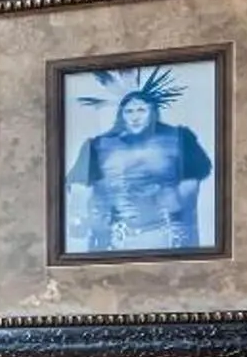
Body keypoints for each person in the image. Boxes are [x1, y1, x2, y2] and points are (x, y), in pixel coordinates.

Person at [66, 77, 212, 254]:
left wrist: (177, 207)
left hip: (166, 233)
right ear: (122, 114)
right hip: (115, 237)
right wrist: (79, 216)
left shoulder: (178, 139)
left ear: (153, 113)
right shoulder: (99, 145)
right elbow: (80, 185)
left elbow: (191, 182)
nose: (135, 117)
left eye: (141, 110)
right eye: (129, 111)